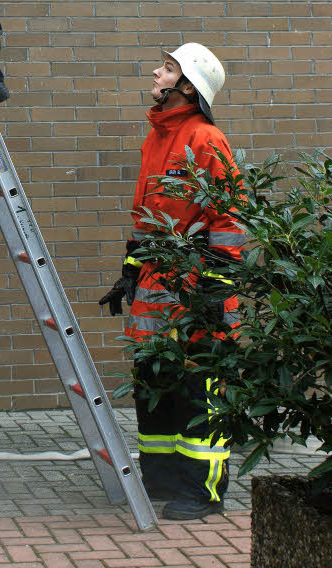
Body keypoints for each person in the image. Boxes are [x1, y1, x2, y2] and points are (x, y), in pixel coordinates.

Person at [99, 43, 246, 521]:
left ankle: (201, 489)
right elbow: (148, 218)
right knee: (155, 384)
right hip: (155, 289)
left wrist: (216, 284)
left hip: (197, 291)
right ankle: (161, 477)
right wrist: (130, 268)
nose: (156, 72)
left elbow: (227, 218)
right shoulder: (157, 138)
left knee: (198, 389)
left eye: (167, 67)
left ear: (187, 86)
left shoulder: (206, 140)